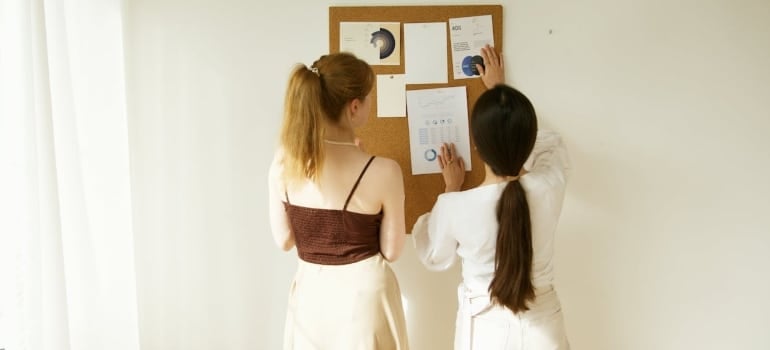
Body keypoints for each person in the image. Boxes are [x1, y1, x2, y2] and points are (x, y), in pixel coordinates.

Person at [412, 45, 571, 349]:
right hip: (544, 329)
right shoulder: (551, 184)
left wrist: (450, 189)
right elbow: (551, 144)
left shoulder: (456, 207)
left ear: (476, 146)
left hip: (485, 333)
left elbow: (434, 255)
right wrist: (500, 93)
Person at [268, 52, 409, 349]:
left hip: (312, 300)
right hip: (365, 301)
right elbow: (392, 251)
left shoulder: (283, 163)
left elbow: (284, 240)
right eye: (370, 97)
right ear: (354, 107)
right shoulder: (384, 171)